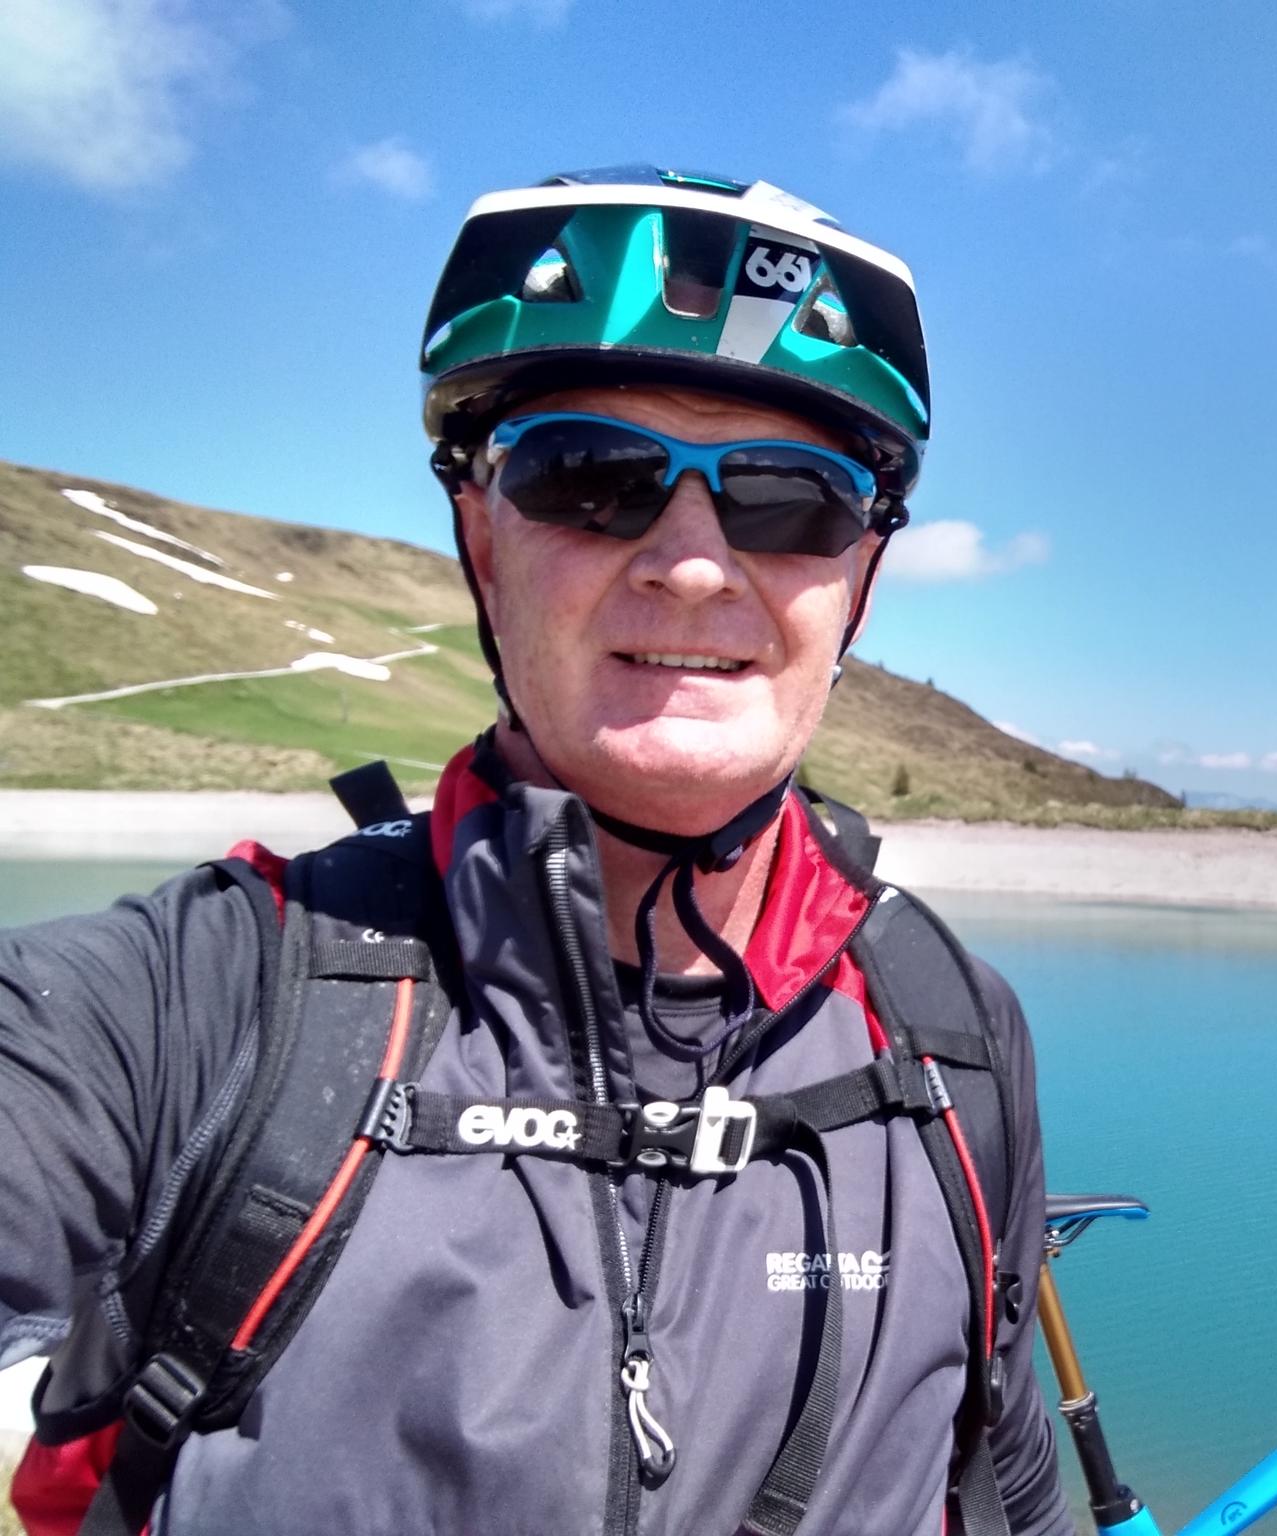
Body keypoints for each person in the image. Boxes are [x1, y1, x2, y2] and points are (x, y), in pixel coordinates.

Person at [1, 166, 1071, 1535]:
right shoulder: (200, 1003)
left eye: (790, 497)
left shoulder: (954, 1032)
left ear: (858, 577)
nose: (694, 564)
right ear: (481, 537)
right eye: (592, 478)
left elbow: (1005, 1477)